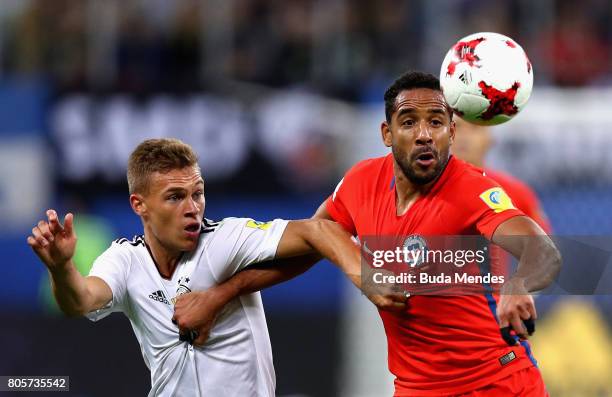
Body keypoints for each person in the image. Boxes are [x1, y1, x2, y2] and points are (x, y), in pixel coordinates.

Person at [175, 71, 561, 396]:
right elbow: (312, 238)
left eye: (437, 122)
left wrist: (519, 283)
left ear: (451, 133)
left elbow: (542, 250)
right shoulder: (361, 183)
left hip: (495, 382)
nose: (424, 134)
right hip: (415, 388)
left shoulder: (472, 189)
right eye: (409, 122)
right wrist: (218, 296)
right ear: (387, 133)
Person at [27, 138, 405, 397]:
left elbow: (320, 230)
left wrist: (366, 276)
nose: (192, 208)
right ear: (139, 205)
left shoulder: (224, 240)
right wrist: (61, 268)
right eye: (175, 197)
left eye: (198, 193)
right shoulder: (125, 260)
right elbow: (80, 301)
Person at [452, 116, 552, 233]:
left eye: (475, 128)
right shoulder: (428, 190)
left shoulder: (516, 193)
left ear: (490, 138)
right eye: (457, 127)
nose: (464, 137)